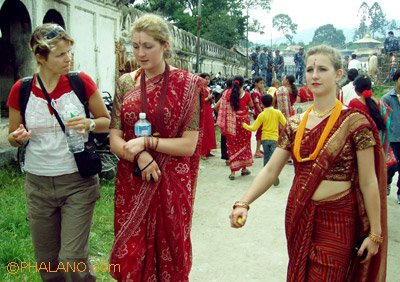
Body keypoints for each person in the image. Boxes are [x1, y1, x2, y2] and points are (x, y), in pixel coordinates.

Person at [230, 44, 387, 281]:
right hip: (299, 212)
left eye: (322, 69)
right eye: (310, 69)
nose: (314, 75)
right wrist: (244, 202)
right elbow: (271, 169)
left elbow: (368, 181)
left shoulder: (355, 123)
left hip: (338, 217)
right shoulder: (295, 123)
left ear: (338, 74)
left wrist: (375, 233)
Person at [7, 23, 111, 281]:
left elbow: (106, 121)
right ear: (40, 57)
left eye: (69, 52)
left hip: (77, 181)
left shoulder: (80, 82)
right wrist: (17, 137)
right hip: (38, 184)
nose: (69, 59)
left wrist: (89, 123)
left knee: (72, 259)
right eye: (61, 54)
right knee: (47, 264)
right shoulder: (22, 89)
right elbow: (12, 136)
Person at [108, 14, 205, 281]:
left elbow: (189, 144)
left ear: (164, 45)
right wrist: (140, 154)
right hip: (133, 178)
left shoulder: (187, 85)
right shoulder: (126, 82)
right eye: (135, 45)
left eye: (147, 46)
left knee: (171, 248)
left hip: (171, 180)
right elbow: (114, 137)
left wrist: (149, 142)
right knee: (132, 251)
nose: (140, 53)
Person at [349, 75, 397, 199]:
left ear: (356, 89)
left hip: (359, 148)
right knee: (373, 177)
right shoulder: (379, 103)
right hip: (377, 147)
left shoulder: (354, 103)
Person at [216, 75, 254, 180]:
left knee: (232, 146)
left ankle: (232, 172)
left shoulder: (227, 94)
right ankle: (244, 169)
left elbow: (220, 107)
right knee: (245, 145)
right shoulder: (246, 94)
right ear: (243, 84)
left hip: (231, 124)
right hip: (244, 124)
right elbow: (251, 106)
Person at [242, 94, 286, 177]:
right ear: (272, 102)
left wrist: (244, 125)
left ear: (262, 104)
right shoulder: (277, 112)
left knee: (266, 156)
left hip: (265, 139)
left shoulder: (262, 114)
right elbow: (285, 124)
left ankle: (265, 175)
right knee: (273, 157)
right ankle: (274, 174)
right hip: (274, 138)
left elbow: (253, 128)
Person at [382, 70, 400, 203]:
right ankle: (387, 182)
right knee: (392, 166)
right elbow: (383, 118)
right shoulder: (388, 98)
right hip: (392, 138)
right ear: (396, 80)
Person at [199, 72, 217, 160]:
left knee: (210, 129)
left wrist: (212, 99)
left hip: (209, 109)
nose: (207, 80)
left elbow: (209, 99)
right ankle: (202, 152)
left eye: (208, 79)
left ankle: (208, 150)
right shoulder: (200, 89)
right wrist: (208, 98)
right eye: (205, 78)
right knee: (204, 130)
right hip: (203, 110)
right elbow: (200, 101)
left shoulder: (208, 88)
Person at [250, 76, 266, 158]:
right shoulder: (255, 93)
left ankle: (259, 149)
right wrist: (262, 113)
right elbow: (257, 104)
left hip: (261, 112)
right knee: (260, 131)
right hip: (259, 113)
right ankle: (257, 150)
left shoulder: (259, 92)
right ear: (256, 83)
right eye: (261, 83)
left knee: (261, 131)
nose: (262, 85)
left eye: (263, 83)